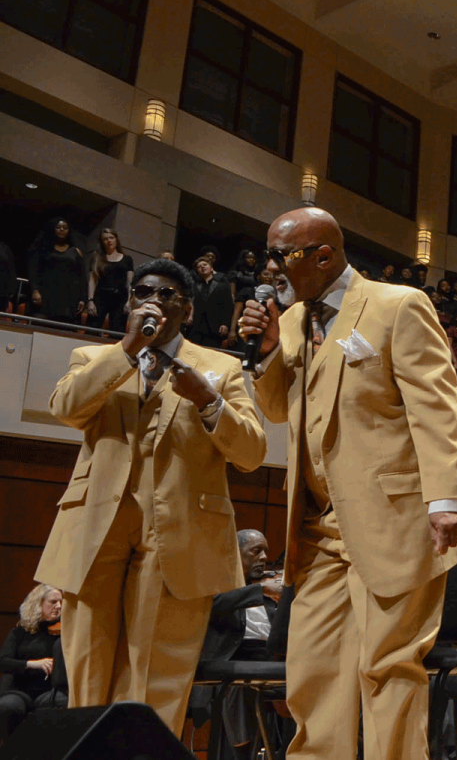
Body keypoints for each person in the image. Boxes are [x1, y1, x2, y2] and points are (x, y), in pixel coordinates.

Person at [237, 207, 457, 760]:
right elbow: (276, 410)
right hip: (317, 531)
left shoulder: (397, 305)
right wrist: (270, 349)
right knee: (313, 672)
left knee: (388, 667)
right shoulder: (292, 320)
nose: (269, 266)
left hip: (397, 521)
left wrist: (447, 499)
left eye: (281, 255)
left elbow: (436, 408)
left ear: (324, 255)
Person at [35, 259, 266, 735]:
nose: (152, 302)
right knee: (87, 668)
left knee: (157, 674)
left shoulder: (220, 368)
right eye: (142, 292)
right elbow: (65, 408)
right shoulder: (93, 359)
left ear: (186, 308)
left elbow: (251, 452)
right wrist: (127, 350)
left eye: (165, 296)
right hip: (95, 531)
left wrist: (209, 400)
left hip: (179, 535)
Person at [199, 530, 283, 760]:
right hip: (235, 657)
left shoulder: (270, 587)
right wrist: (260, 590)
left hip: (271, 657)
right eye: (256, 551)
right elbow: (211, 604)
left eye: (265, 551)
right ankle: (242, 752)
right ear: (236, 554)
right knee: (241, 682)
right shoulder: (219, 584)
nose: (264, 557)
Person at [0, 585, 66, 743]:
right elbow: (3, 662)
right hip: (19, 691)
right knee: (8, 707)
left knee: (65, 703)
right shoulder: (20, 633)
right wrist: (33, 664)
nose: (59, 606)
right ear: (38, 604)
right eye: (53, 602)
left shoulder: (63, 633)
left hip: (49, 692)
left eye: (61, 602)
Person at [26, 218, 86, 325]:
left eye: (65, 228)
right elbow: (34, 270)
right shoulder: (43, 248)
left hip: (68, 297)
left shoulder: (75, 251)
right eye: (58, 227)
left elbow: (82, 276)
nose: (61, 230)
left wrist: (82, 299)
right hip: (46, 294)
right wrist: (35, 290)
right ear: (53, 229)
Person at [86, 228, 132, 331]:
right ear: (102, 242)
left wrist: (129, 301)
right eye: (105, 239)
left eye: (111, 238)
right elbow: (92, 281)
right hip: (101, 296)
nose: (109, 241)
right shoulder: (97, 258)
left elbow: (130, 282)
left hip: (120, 298)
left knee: (117, 330)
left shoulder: (127, 259)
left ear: (116, 239)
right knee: (92, 328)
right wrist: (90, 301)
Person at [188, 256, 234, 348]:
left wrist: (225, 323)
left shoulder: (222, 285)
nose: (202, 267)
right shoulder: (194, 286)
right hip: (196, 326)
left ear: (211, 268)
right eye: (199, 266)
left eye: (205, 265)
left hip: (215, 327)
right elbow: (190, 302)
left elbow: (228, 305)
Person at [226, 250, 262, 340]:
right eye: (249, 257)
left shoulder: (258, 273)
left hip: (254, 298)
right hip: (239, 300)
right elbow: (232, 290)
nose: (251, 260)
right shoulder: (236, 273)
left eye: (253, 258)